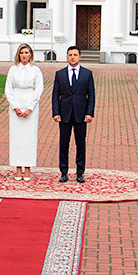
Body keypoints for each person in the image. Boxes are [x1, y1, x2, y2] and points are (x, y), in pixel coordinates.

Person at [51, 45, 95, 183]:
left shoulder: (87, 74)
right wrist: (55, 112)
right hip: (64, 114)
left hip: (81, 115)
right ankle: (63, 172)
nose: (72, 57)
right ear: (67, 57)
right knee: (64, 143)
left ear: (80, 57)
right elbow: (55, 95)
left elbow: (91, 95)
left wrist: (89, 113)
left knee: (80, 144)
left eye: (75, 55)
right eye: (70, 55)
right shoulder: (60, 74)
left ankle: (80, 172)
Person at [5, 44, 43, 181]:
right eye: (22, 53)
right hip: (16, 102)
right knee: (16, 137)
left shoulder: (36, 70)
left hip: (30, 103)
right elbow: (8, 89)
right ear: (18, 55)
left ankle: (27, 168)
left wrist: (30, 108)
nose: (24, 55)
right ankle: (17, 168)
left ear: (31, 54)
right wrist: (15, 107)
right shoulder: (13, 69)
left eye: (27, 52)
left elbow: (38, 90)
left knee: (29, 137)